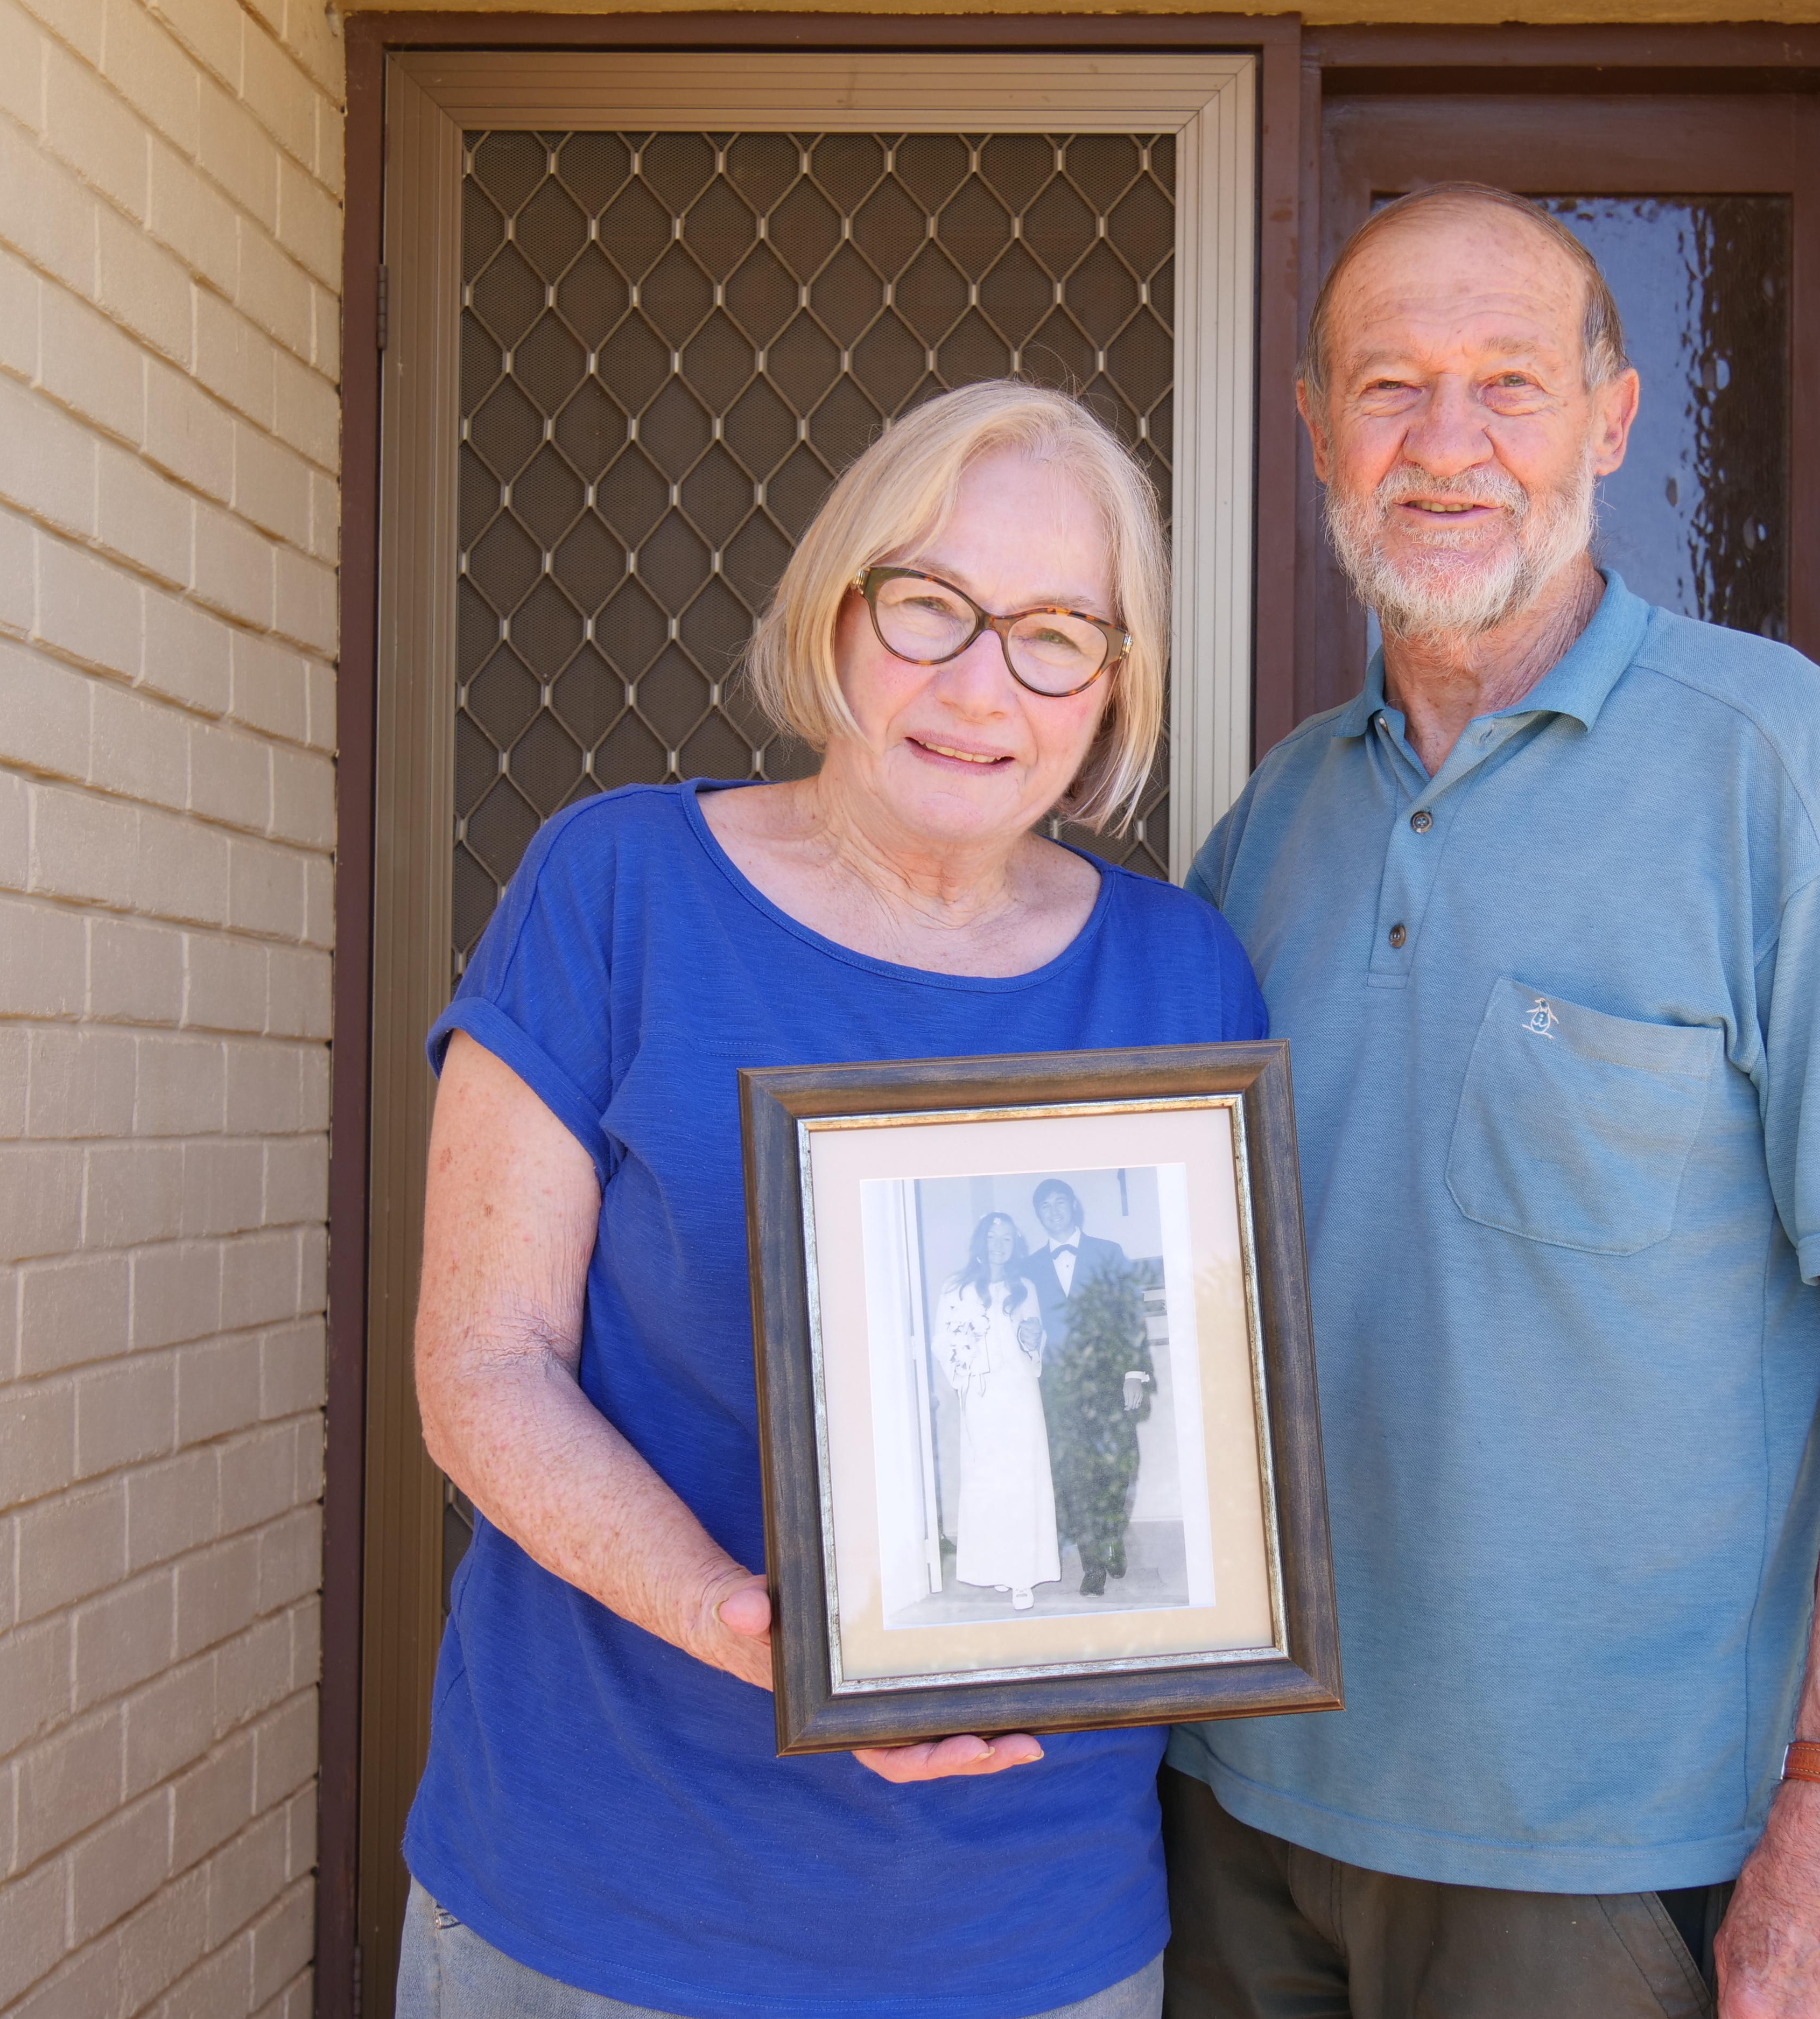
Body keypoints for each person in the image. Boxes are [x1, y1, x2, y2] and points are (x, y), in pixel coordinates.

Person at [1167, 184, 1820, 2019]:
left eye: (1508, 386)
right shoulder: (1274, 822)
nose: (1445, 446)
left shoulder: (1772, 757)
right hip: (1235, 1805)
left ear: (1612, 420)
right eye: (1389, 387)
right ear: (1314, 428)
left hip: (1605, 1854)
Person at [400, 380, 1269, 2019]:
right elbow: (481, 1363)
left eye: (1054, 633)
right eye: (929, 603)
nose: (975, 682)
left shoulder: (1180, 969)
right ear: (839, 607)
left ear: (1112, 688)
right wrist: (737, 1617)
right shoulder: (617, 886)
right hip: (601, 1903)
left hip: (1024, 1934)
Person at [1028, 1176, 1156, 1595]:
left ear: (1073, 1206)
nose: (1054, 1211)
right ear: (1039, 1215)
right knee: (1076, 1476)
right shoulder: (1027, 1268)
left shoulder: (1108, 1252)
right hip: (1060, 1391)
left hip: (1108, 1382)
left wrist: (1134, 1373)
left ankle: (1113, 1536)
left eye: (1060, 1202)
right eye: (1045, 1206)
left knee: (1117, 1468)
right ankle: (1093, 1564)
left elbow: (1128, 1312)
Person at [932, 1211, 1059, 1609]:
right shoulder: (956, 1288)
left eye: (1007, 1238)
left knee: (1023, 1477)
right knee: (989, 1479)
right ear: (980, 1241)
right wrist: (964, 1367)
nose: (999, 1244)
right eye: (992, 1236)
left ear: (1015, 1244)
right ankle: (997, 1567)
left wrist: (1032, 1337)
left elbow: (1036, 1337)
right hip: (982, 1394)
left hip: (1020, 1391)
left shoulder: (1024, 1286)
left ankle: (1022, 1576)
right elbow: (942, 1340)